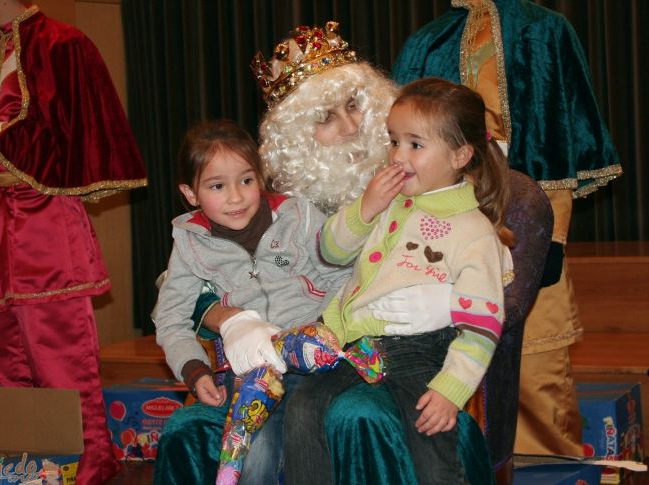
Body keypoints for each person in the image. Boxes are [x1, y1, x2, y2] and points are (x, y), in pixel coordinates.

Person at [155, 22, 496, 485]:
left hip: (382, 353)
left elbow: (487, 273)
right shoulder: (271, 198)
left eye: (355, 106)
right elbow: (179, 286)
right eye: (326, 117)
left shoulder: (424, 176)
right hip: (295, 355)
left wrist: (446, 299)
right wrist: (227, 318)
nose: (352, 128)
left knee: (353, 417)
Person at [0, 1, 147, 483]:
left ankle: (85, 470)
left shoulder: (65, 44)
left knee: (58, 350)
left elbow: (77, 132)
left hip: (44, 216)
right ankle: (5, 469)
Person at [391, 0, 622, 457]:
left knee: (535, 351)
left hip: (526, 215)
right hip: (439, 216)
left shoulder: (545, 31)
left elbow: (559, 128)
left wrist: (551, 232)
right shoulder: (426, 40)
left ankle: (546, 461)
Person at [285, 77, 514, 484]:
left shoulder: (472, 231)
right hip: (352, 342)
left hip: (420, 352)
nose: (398, 156)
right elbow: (332, 250)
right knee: (303, 407)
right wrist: (366, 208)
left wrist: (451, 389)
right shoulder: (388, 203)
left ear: (461, 154)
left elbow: (483, 326)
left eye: (415, 144)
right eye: (393, 141)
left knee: (428, 437)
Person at [153, 117, 349, 403]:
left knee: (304, 415)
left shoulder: (297, 216)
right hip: (253, 365)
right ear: (191, 194)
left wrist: (324, 327)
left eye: (246, 181)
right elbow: (171, 319)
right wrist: (194, 370)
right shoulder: (189, 243)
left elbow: (342, 276)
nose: (236, 197)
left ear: (260, 176)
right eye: (217, 186)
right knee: (260, 443)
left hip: (318, 350)